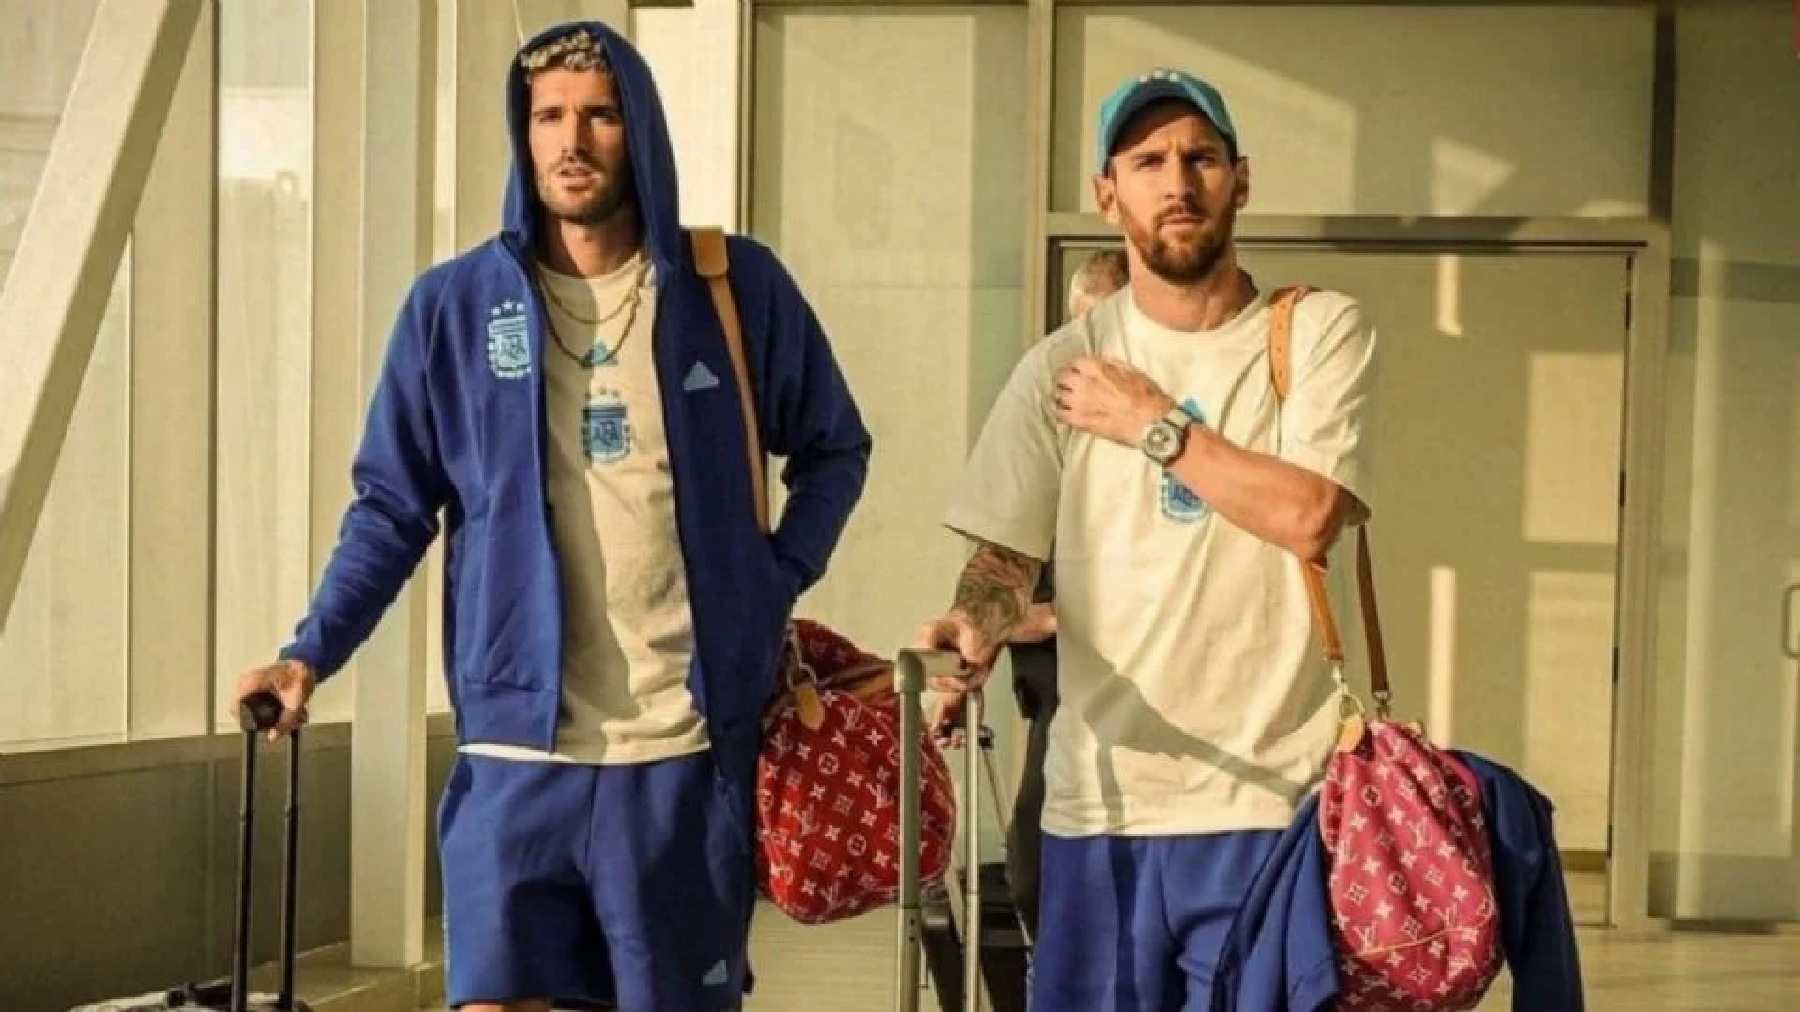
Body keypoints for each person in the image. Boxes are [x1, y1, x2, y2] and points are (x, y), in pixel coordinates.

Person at [231, 21, 870, 1012]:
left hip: (679, 749)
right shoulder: (451, 308)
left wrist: (773, 576)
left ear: (639, 129)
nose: (572, 140)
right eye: (549, 117)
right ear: (522, 134)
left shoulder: (732, 289)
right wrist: (308, 651)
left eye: (600, 114)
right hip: (512, 752)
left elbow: (835, 447)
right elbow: (391, 507)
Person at [919, 67, 1375, 1011]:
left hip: (1268, 801)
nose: (1177, 182)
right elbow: (1006, 556)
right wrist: (973, 626)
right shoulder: (1061, 364)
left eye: (1200, 158)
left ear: (1240, 180)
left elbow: (1308, 515)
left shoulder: (1314, 334)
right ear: (1107, 193)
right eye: (1148, 162)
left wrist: (1153, 424)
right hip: (1100, 807)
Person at [1003, 246, 1130, 945]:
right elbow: (1005, 561)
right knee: (1033, 870)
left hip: (1148, 700)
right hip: (1059, 694)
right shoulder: (1050, 423)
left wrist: (1054, 617)